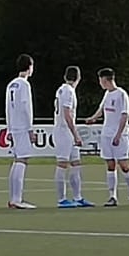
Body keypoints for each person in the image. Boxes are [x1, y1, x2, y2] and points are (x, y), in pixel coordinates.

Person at [89, 68, 129, 206]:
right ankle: (112, 196)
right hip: (106, 134)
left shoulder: (121, 94)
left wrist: (119, 134)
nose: (100, 83)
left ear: (106, 80)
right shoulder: (107, 94)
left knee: (124, 165)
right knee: (110, 165)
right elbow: (102, 110)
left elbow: (125, 115)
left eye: (100, 80)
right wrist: (93, 118)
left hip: (119, 135)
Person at [54, 66, 91, 208]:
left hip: (66, 130)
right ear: (78, 78)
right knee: (62, 164)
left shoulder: (62, 89)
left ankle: (78, 197)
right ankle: (61, 199)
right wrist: (76, 134)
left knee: (76, 163)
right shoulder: (68, 91)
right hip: (64, 131)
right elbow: (67, 114)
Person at [5, 54, 36, 209]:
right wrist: (30, 128)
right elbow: (26, 107)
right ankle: (17, 199)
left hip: (14, 125)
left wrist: (9, 128)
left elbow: (7, 108)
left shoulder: (11, 84)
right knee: (22, 160)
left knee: (17, 159)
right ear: (29, 67)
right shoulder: (24, 85)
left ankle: (13, 197)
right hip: (22, 126)